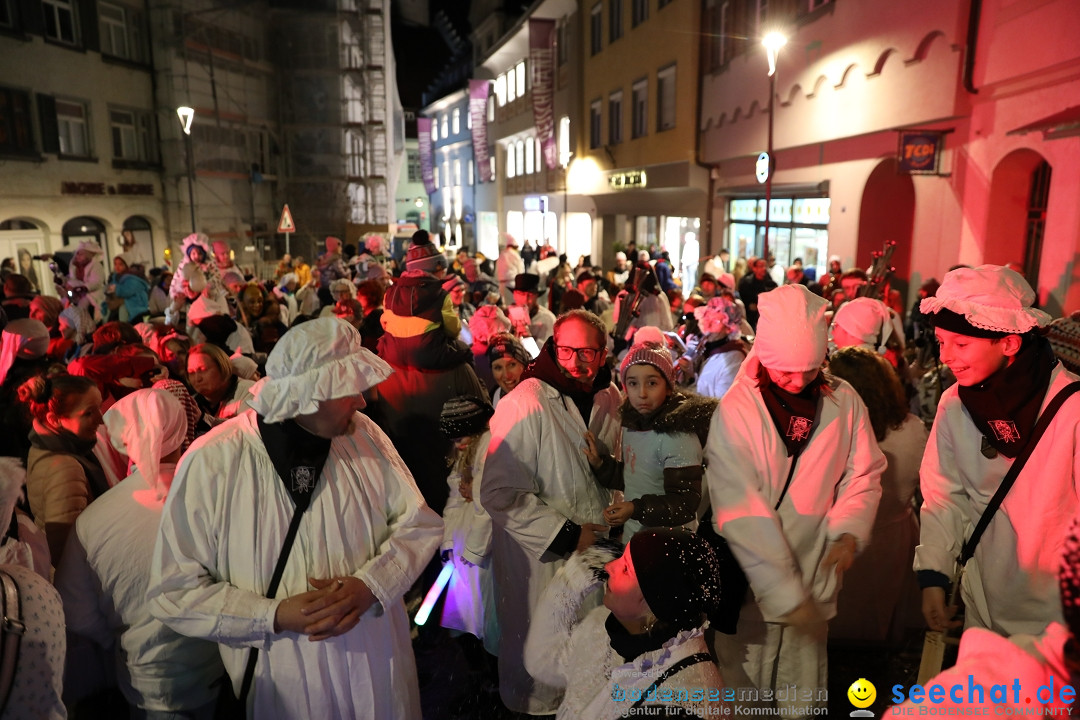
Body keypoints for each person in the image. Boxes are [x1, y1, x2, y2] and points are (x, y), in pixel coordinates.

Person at [148, 318, 443, 719]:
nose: (362, 400)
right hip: (285, 680)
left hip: (376, 669)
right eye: (347, 389)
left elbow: (418, 523)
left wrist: (372, 585)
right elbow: (174, 589)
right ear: (308, 394)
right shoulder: (213, 461)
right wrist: (272, 616)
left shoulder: (364, 435)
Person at [706, 284, 885, 717]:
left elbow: (863, 472)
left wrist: (846, 530)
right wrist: (787, 596)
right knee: (744, 686)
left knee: (802, 689)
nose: (798, 381)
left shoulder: (844, 399)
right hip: (752, 578)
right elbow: (740, 507)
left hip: (815, 570)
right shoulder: (738, 410)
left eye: (808, 370)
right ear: (764, 356)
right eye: (786, 371)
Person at [915, 265, 1080, 638]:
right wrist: (934, 574)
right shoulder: (954, 403)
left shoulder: (1072, 407)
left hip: (1058, 620)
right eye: (941, 342)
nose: (946, 357)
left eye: (961, 345)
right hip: (983, 603)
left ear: (1009, 342)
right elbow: (944, 496)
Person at [481, 309, 622, 715]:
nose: (577, 362)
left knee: (592, 668)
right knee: (543, 670)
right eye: (566, 350)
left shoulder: (610, 397)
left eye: (588, 352)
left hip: (600, 555)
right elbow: (500, 492)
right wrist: (567, 534)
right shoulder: (525, 403)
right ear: (551, 347)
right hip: (543, 561)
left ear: (604, 352)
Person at [54, 389, 224, 718]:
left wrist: (124, 633)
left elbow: (77, 613)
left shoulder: (93, 520)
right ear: (181, 428)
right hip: (224, 668)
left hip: (150, 680)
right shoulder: (219, 497)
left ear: (123, 438)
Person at [524, 529, 727, 719]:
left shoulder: (676, 704)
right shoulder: (609, 624)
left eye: (626, 569)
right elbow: (544, 662)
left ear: (655, 601)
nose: (609, 566)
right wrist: (575, 576)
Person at [827, 346, 928, 645]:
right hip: (895, 537)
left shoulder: (835, 430)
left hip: (844, 537)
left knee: (839, 625)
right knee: (881, 622)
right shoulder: (913, 428)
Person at [584, 333, 714, 541]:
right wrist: (602, 465)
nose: (642, 393)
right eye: (633, 383)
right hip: (636, 536)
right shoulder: (632, 425)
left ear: (668, 386)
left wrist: (635, 508)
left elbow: (683, 503)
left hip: (670, 542)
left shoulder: (678, 435)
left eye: (652, 383)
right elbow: (636, 477)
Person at [21, 373, 107, 565]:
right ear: (54, 420)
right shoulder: (65, 468)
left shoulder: (46, 445)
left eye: (99, 408)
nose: (101, 420)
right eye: (89, 413)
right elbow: (64, 552)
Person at [690, 294, 748, 398]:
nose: (708, 326)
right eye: (707, 319)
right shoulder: (706, 348)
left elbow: (723, 401)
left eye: (716, 321)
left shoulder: (734, 358)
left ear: (729, 327)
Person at [186, 342, 254, 422]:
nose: (197, 378)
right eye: (191, 372)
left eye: (203, 369)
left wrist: (204, 419)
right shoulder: (191, 404)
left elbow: (245, 429)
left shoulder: (249, 391)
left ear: (222, 367)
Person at [510, 272, 556, 345]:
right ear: (514, 294)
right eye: (521, 294)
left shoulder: (548, 319)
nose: (525, 300)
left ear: (536, 296)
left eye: (530, 295)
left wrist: (527, 337)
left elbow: (545, 353)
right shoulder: (505, 316)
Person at [486, 332, 529, 407]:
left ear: (524, 364)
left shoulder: (541, 395)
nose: (506, 375)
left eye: (512, 365)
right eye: (498, 368)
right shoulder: (494, 397)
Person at [736, 257, 777, 330]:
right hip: (751, 318)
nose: (764, 268)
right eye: (761, 266)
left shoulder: (770, 283)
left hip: (767, 317)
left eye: (765, 266)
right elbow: (742, 299)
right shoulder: (746, 283)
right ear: (754, 268)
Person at [496, 235, 525, 305]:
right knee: (513, 306)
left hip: (501, 284)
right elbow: (521, 271)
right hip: (512, 284)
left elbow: (496, 271)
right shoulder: (515, 255)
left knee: (504, 305)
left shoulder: (502, 255)